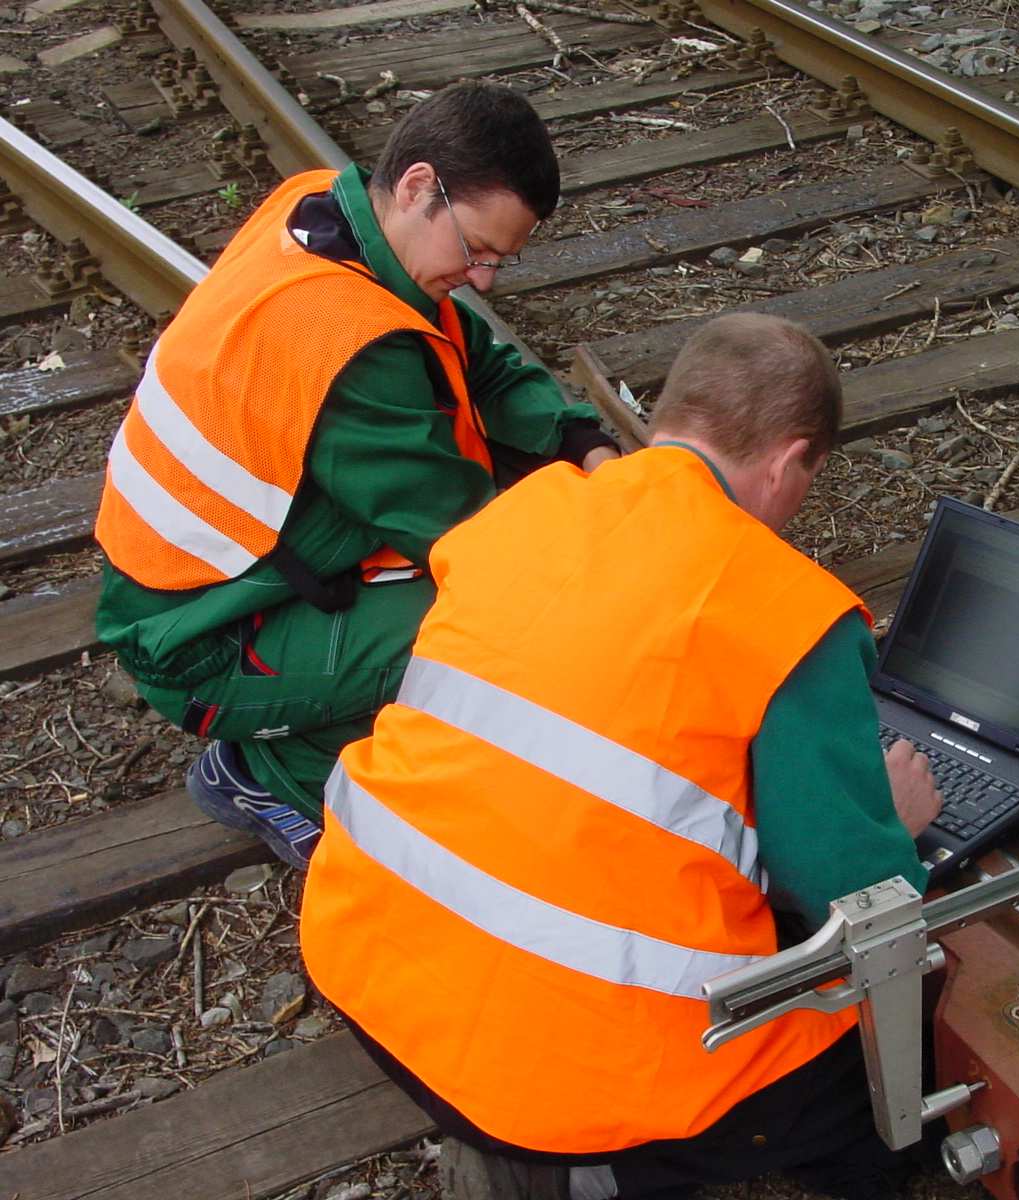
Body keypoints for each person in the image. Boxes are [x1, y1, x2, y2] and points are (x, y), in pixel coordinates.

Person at [299, 314, 945, 1200]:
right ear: (793, 459)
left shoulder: (523, 513)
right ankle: (601, 1174)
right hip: (564, 1085)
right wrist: (894, 826)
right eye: (809, 479)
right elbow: (849, 896)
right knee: (886, 1035)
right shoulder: (788, 611)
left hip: (368, 966)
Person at [93, 81, 618, 869]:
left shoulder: (329, 214)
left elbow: (482, 360)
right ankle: (272, 776)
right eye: (477, 251)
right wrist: (614, 562)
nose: (484, 280)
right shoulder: (348, 344)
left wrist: (584, 443)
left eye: (501, 260)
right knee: (484, 637)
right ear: (417, 187)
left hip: (220, 578)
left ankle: (311, 720)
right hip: (196, 639)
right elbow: (473, 542)